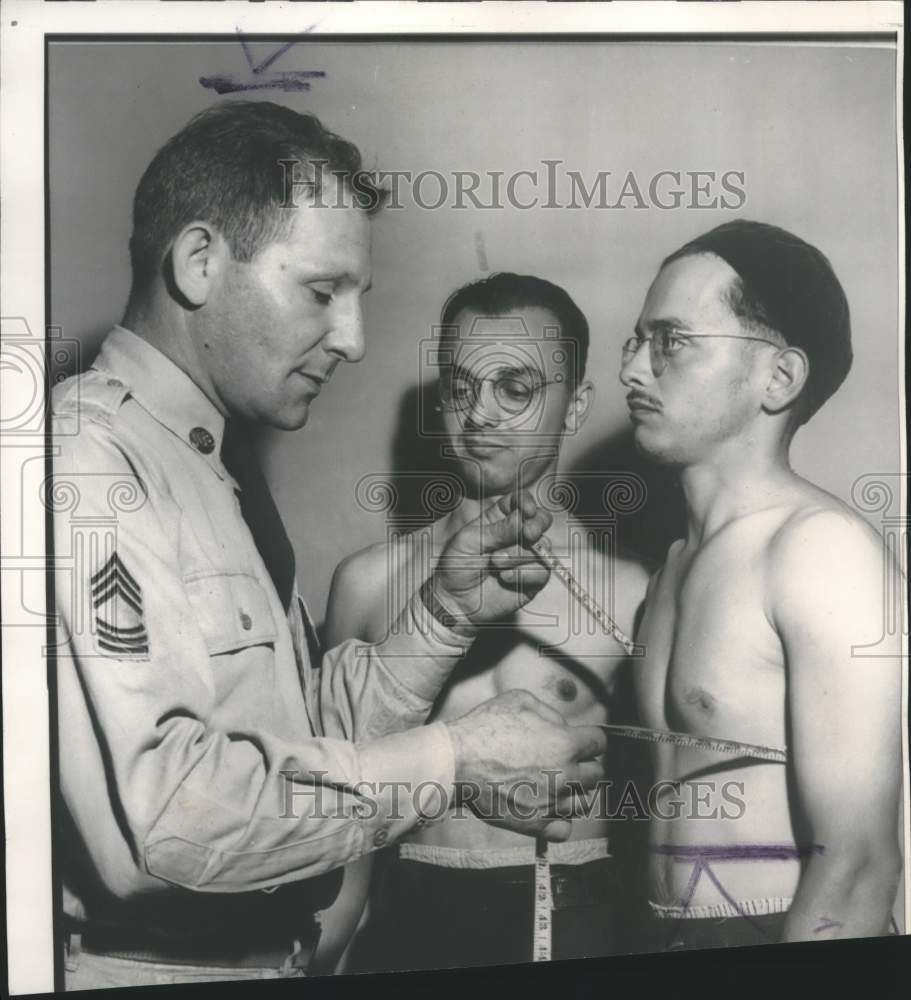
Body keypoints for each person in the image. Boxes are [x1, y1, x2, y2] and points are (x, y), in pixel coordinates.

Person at [50, 103, 609, 990]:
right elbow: (169, 822)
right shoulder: (89, 464)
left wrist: (442, 616)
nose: (352, 341)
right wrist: (454, 761)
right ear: (199, 263)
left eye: (359, 302)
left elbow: (295, 746)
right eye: (321, 292)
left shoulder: (204, 470)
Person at [325, 274, 651, 971]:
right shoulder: (367, 583)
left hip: (573, 916)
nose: (480, 415)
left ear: (574, 407)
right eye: (460, 386)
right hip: (407, 918)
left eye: (516, 388)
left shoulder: (629, 596)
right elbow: (339, 818)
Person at [619, 219, 903, 951]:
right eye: (636, 340)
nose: (632, 369)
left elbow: (859, 863)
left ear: (777, 378)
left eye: (671, 341)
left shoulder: (818, 550)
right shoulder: (675, 563)